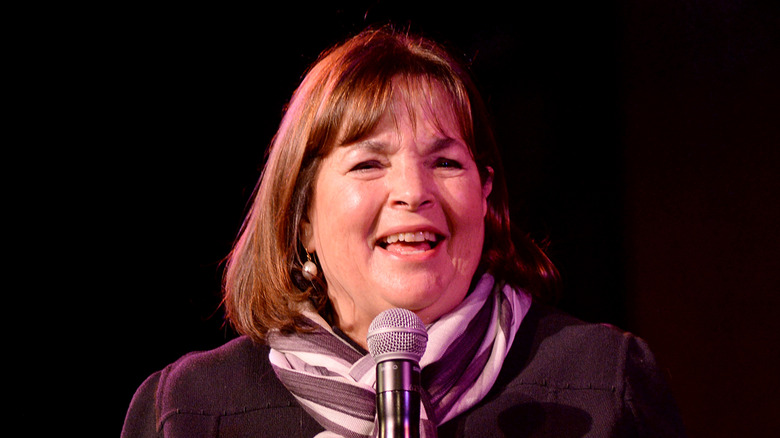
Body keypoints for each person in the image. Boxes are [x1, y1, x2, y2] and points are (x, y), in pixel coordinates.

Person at [121, 26, 685, 437]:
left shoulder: (603, 381)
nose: (414, 191)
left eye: (446, 163)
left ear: (486, 195)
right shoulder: (189, 409)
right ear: (303, 216)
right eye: (369, 163)